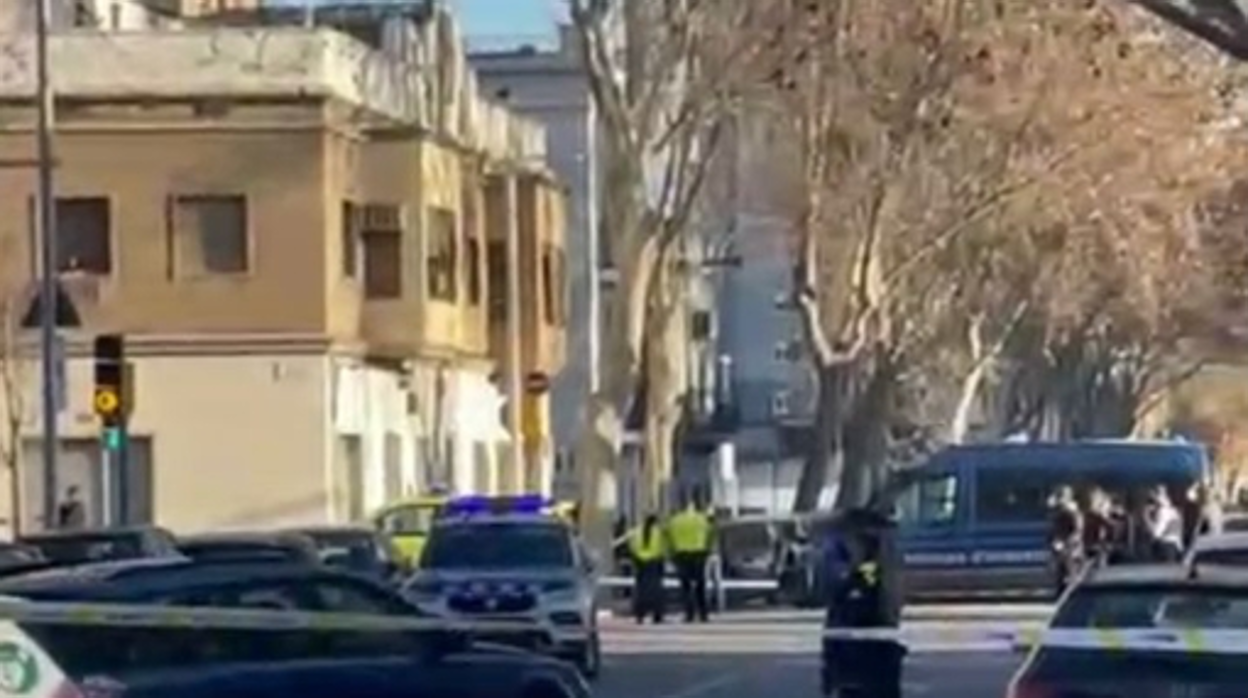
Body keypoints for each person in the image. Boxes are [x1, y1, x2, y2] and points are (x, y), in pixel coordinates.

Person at [821, 509, 904, 698]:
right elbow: (837, 585)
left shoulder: (882, 554)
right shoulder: (839, 551)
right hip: (849, 640)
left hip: (879, 640)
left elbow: (891, 594)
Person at [666, 493, 713, 623]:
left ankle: (689, 613)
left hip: (682, 554)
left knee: (685, 587)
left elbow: (668, 538)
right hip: (699, 553)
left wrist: (672, 554)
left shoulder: (674, 521)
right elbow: (710, 535)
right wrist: (707, 551)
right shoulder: (702, 519)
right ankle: (703, 613)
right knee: (700, 586)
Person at [627, 513, 666, 624]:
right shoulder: (658, 532)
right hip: (653, 562)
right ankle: (657, 614)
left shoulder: (636, 531)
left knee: (641, 589)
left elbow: (632, 547)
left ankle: (640, 614)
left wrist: (637, 557)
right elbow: (662, 547)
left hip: (640, 563)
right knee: (656, 590)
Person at [1047, 485, 1083, 595]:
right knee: (1059, 569)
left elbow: (1077, 530)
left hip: (1070, 546)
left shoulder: (1072, 511)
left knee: (1070, 568)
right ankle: (1060, 588)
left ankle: (1070, 589)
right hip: (1060, 544)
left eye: (1062, 495)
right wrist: (1053, 540)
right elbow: (1052, 529)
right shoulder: (1056, 511)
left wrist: (1068, 542)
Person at [1145, 486, 1184, 562]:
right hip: (1175, 547)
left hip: (1166, 548)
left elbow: (1156, 534)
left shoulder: (1163, 511)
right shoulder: (1174, 511)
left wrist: (1146, 517)